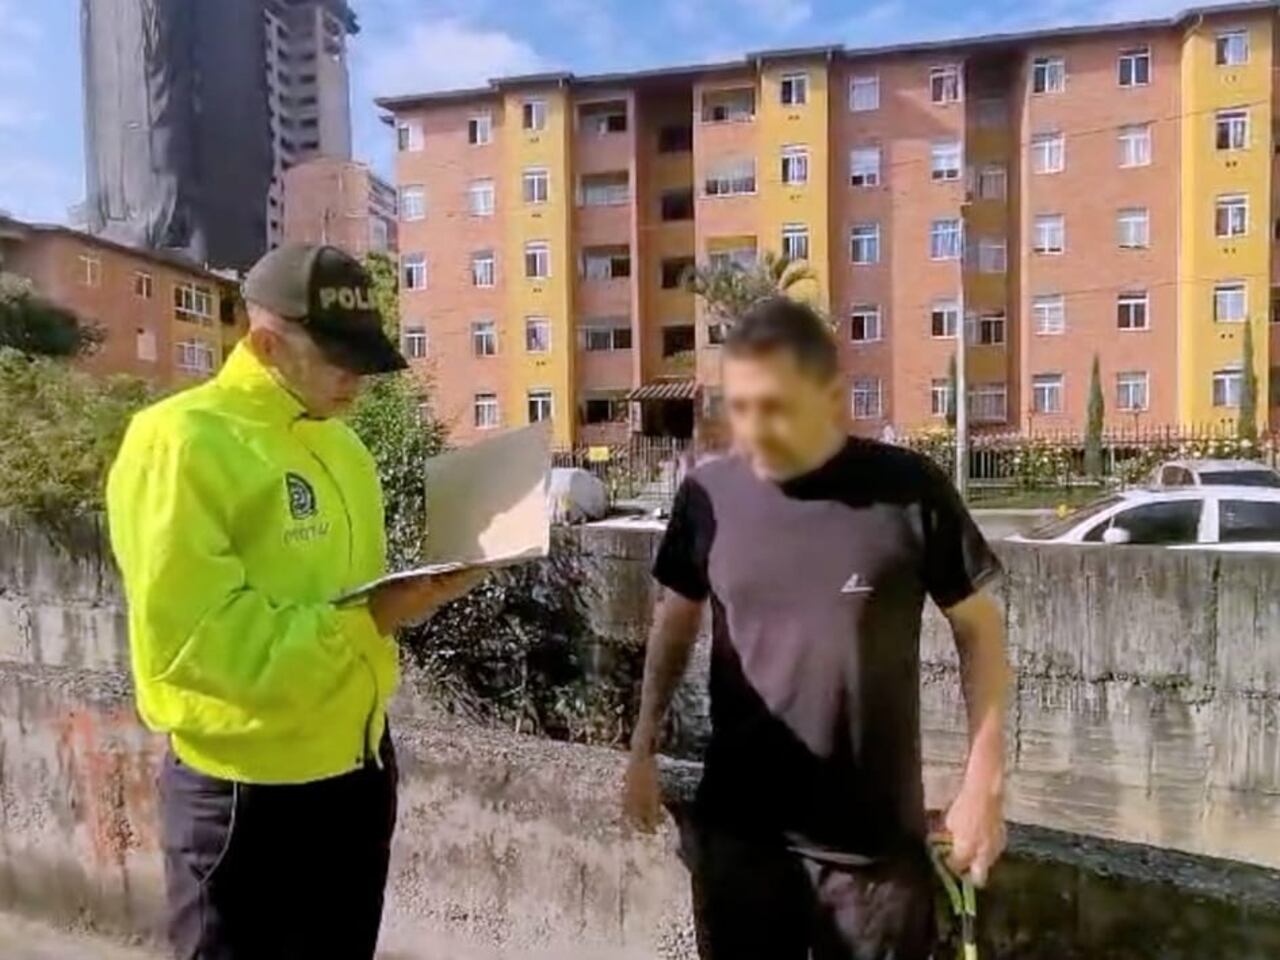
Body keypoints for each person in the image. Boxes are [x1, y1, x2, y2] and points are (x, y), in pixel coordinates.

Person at [107, 244, 483, 959]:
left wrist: (420, 594)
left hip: (358, 774)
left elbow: (344, 603)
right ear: (266, 343)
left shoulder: (344, 451)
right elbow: (195, 643)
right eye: (338, 358)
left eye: (365, 359)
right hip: (248, 796)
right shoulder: (181, 442)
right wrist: (371, 619)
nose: (357, 381)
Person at [622, 297, 1009, 960]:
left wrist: (984, 785)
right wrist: (642, 747)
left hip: (873, 859)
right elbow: (675, 621)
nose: (752, 429)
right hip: (742, 842)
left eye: (773, 406)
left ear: (831, 395)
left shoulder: (909, 491)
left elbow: (981, 631)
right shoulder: (708, 497)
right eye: (738, 407)